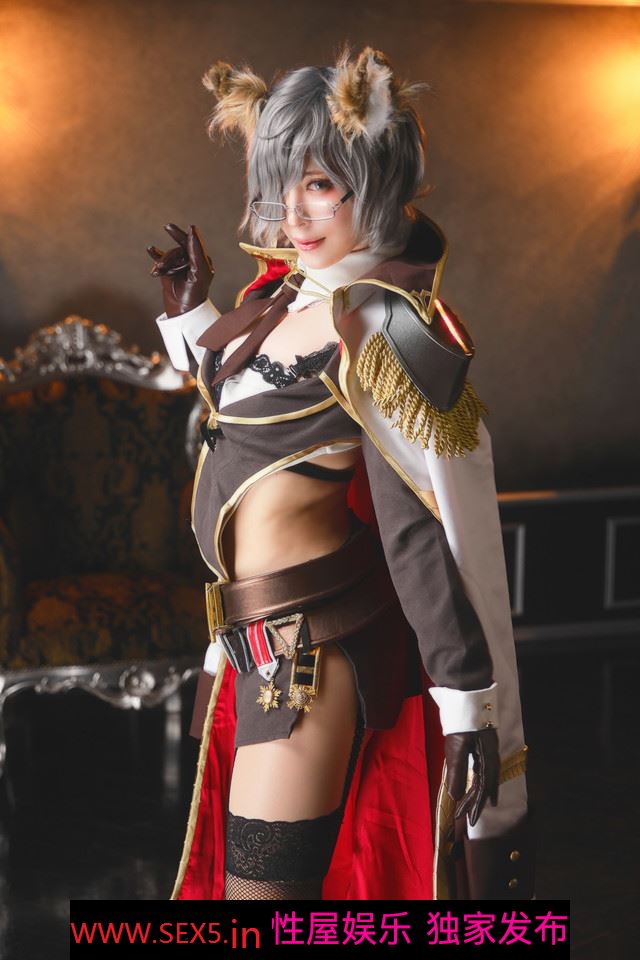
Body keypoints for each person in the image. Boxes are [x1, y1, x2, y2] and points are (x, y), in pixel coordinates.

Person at [148, 46, 535, 901]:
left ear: (378, 181)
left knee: (258, 909)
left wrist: (469, 703)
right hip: (253, 640)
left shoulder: (384, 330)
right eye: (280, 182)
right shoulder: (277, 297)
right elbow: (249, 420)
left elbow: (424, 527)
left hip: (308, 658)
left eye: (320, 183)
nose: (293, 210)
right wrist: (192, 316)